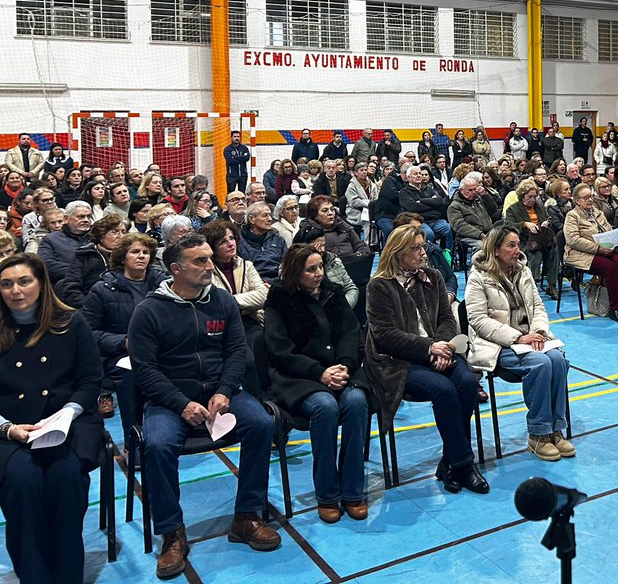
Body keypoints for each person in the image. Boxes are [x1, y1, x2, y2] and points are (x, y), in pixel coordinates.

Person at [127, 234, 281, 577]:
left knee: (262, 424)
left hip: (219, 394)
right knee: (157, 444)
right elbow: (145, 370)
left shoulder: (222, 301)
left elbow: (237, 351)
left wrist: (225, 391)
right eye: (200, 261)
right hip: (169, 400)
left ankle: (246, 515)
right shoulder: (148, 311)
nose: (210, 265)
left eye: (210, 258)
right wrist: (181, 403)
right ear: (176, 269)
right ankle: (172, 533)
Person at [0, 253, 104, 584]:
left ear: (42, 284)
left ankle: (67, 575)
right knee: (22, 481)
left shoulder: (71, 322)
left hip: (67, 422)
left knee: (66, 477)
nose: (16, 290)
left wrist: (66, 414)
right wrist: (7, 428)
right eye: (6, 284)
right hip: (10, 429)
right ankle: (34, 576)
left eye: (24, 281)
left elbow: (91, 380)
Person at [364, 225, 489, 495]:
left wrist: (441, 348)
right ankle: (464, 465)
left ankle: (449, 462)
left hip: (439, 351)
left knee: (467, 382)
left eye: (423, 246)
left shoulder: (433, 276)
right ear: (397, 253)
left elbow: (446, 318)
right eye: (416, 248)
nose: (424, 252)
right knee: (443, 390)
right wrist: (430, 348)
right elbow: (385, 335)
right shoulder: (379, 286)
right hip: (397, 360)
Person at [264, 244, 368, 523]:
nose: (319, 273)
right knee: (325, 406)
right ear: (295, 273)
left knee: (357, 401)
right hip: (298, 376)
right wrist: (319, 373)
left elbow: (351, 333)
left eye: (320, 266)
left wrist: (344, 365)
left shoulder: (333, 293)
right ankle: (327, 494)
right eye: (311, 270)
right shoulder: (280, 299)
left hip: (340, 370)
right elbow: (279, 349)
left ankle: (353, 490)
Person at [465, 227, 573, 461]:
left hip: (530, 338)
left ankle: (556, 429)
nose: (517, 250)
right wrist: (516, 338)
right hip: (497, 344)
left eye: (517, 245)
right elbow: (478, 320)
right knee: (540, 363)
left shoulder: (524, 271)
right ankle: (538, 434)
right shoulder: (478, 277)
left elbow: (538, 306)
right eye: (511, 246)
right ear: (496, 250)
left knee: (558, 360)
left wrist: (539, 331)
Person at [80, 232, 168, 443]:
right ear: (122, 258)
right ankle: (133, 439)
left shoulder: (165, 285)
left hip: (163, 349)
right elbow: (88, 333)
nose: (142, 256)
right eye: (135, 252)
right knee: (131, 377)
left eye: (146, 252)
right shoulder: (103, 289)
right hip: (121, 354)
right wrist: (123, 341)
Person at [564, 184, 618, 322]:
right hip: (581, 253)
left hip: (604, 249)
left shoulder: (598, 213)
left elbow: (608, 229)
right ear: (577, 200)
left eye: (591, 197)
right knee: (610, 268)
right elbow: (573, 240)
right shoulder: (572, 216)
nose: (590, 200)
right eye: (585, 198)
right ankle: (614, 308)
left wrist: (613, 243)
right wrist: (597, 248)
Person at [504, 178, 559, 292]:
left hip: (542, 239)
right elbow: (507, 225)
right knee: (535, 253)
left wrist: (546, 222)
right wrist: (524, 224)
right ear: (522, 195)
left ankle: (552, 285)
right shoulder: (513, 209)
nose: (533, 200)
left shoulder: (540, 206)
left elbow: (548, 218)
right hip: (524, 241)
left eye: (535, 197)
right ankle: (532, 285)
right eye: (530, 197)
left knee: (554, 250)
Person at [448, 171, 499, 259]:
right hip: (469, 236)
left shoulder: (478, 199)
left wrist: (485, 195)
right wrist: (480, 234)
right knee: (482, 246)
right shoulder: (454, 206)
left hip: (488, 232)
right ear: (461, 190)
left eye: (475, 189)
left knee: (503, 243)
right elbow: (460, 226)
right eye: (470, 190)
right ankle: (478, 266)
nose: (473, 192)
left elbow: (493, 210)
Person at [307, 195, 369, 260]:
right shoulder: (310, 233)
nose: (330, 213)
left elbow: (360, 245)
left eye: (332, 209)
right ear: (315, 215)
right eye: (325, 210)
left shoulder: (343, 226)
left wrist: (360, 257)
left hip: (352, 263)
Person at [240, 200, 287, 282]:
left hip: (278, 281)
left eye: (270, 215)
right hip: (253, 282)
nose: (270, 219)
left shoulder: (278, 239)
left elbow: (287, 264)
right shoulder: (240, 242)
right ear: (251, 219)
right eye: (265, 216)